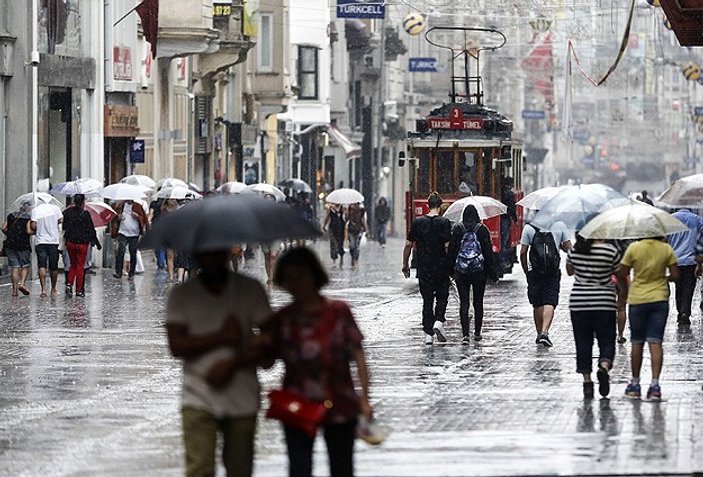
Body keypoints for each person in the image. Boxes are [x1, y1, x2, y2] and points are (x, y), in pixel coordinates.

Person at [262, 247, 372, 477]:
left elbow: (359, 356)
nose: (297, 284)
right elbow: (266, 362)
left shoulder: (339, 311)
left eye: (302, 276)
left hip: (340, 400)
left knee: (342, 468)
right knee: (299, 468)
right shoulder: (282, 319)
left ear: (314, 275)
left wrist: (364, 399)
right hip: (297, 403)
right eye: (290, 278)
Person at [166, 249, 271, 477]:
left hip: (243, 400)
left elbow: (272, 348)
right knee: (199, 470)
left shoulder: (250, 290)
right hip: (197, 398)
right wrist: (221, 337)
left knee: (240, 469)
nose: (211, 255)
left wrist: (234, 362)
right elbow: (176, 346)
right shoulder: (182, 295)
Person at [566, 235, 627, 399]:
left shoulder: (575, 250)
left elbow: (569, 271)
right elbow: (619, 272)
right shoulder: (610, 251)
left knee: (583, 341)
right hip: (604, 302)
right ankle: (604, 366)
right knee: (607, 339)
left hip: (579, 302)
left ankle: (587, 381)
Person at [618, 237, 679, 400]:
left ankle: (635, 384)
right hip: (660, 299)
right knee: (656, 341)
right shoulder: (666, 249)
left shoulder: (634, 248)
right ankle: (654, 385)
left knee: (637, 341)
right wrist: (663, 279)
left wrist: (627, 287)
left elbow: (622, 272)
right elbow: (676, 274)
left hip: (638, 299)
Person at [402, 192, 452, 345]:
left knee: (427, 300)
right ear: (441, 206)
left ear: (427, 205)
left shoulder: (418, 223)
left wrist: (405, 264)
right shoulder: (444, 222)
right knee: (442, 297)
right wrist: (450, 265)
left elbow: (408, 245)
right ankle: (439, 321)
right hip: (441, 268)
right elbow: (447, 246)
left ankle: (428, 334)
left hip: (424, 268)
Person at [448, 204, 497, 344]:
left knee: (464, 303)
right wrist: (493, 273)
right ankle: (477, 333)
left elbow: (452, 251)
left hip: (461, 271)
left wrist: (450, 270)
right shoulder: (482, 230)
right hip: (478, 271)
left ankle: (465, 335)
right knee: (478, 302)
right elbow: (488, 253)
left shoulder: (457, 229)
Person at [520, 220, 572, 347]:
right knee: (550, 301)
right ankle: (545, 332)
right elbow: (569, 248)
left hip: (535, 271)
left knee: (537, 303)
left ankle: (539, 334)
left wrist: (526, 270)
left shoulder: (529, 228)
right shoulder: (560, 225)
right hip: (552, 271)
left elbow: (523, 253)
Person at [667, 209, 703, 325]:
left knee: (679, 286)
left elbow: (665, 239)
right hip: (690, 260)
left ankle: (680, 311)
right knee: (689, 287)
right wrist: (699, 262)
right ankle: (685, 312)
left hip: (675, 260)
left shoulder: (670, 219)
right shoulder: (697, 219)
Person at [62, 194, 100, 297]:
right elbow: (91, 230)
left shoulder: (68, 212)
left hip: (71, 243)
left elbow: (64, 226)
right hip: (82, 244)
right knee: (80, 266)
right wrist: (96, 242)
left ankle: (69, 283)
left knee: (73, 265)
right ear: (83, 202)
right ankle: (79, 290)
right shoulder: (86, 214)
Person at [28, 205, 62, 297]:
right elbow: (60, 220)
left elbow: (33, 225)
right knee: (53, 266)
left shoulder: (36, 210)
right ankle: (53, 288)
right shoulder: (56, 208)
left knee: (42, 265)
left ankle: (43, 290)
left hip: (40, 241)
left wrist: (40, 227)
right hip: (53, 241)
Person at [112, 199, 148, 280]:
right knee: (120, 251)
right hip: (122, 232)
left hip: (134, 234)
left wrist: (137, 216)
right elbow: (114, 216)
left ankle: (131, 273)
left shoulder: (138, 206)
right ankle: (118, 272)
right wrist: (118, 217)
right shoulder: (120, 206)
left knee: (133, 252)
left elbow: (144, 218)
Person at [2, 203, 32, 296]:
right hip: (23, 245)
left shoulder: (11, 215)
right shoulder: (28, 218)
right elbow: (28, 231)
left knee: (15, 267)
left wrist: (9, 235)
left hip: (10, 245)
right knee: (25, 265)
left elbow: (3, 228)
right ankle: (22, 284)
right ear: (27, 209)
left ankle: (14, 291)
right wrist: (34, 232)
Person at [500, 177, 518, 270]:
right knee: (504, 239)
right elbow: (512, 208)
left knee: (502, 240)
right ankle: (502, 259)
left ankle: (502, 258)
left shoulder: (501, 191)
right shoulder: (509, 194)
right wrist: (515, 219)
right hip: (505, 218)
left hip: (501, 217)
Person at [323, 203, 346, 267]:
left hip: (341, 228)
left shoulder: (342, 208)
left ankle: (341, 259)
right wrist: (324, 225)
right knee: (333, 244)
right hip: (332, 228)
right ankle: (334, 261)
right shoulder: (330, 209)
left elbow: (345, 217)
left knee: (340, 244)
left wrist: (345, 212)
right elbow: (327, 217)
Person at [346, 203, 367, 269]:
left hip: (358, 229)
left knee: (356, 245)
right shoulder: (350, 209)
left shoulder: (361, 210)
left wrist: (366, 229)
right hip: (351, 230)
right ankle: (353, 258)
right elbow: (347, 218)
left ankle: (355, 260)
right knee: (352, 245)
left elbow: (363, 219)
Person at [149, 197, 167, 270]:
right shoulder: (167, 203)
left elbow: (151, 213)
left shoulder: (153, 203)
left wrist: (148, 222)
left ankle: (161, 263)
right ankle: (161, 263)